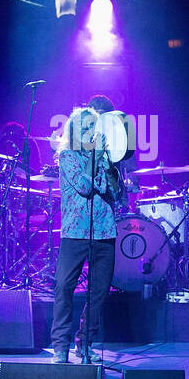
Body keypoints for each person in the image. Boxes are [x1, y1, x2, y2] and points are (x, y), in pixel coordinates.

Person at [50, 106, 124, 364]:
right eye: (85, 129)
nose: (91, 132)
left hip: (104, 233)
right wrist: (95, 158)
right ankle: (60, 345)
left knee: (98, 293)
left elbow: (117, 194)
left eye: (94, 127)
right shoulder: (68, 157)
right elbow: (83, 186)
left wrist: (111, 165)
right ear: (74, 133)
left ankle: (85, 343)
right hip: (75, 233)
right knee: (64, 288)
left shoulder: (105, 158)